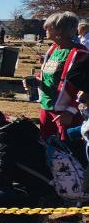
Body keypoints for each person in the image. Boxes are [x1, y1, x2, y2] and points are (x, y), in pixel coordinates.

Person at [31, 11, 86, 140]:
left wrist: (71, 111)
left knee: (68, 150)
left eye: (48, 26)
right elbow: (50, 75)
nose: (45, 29)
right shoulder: (54, 49)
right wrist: (36, 80)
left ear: (59, 30)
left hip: (66, 112)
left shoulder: (80, 53)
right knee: (46, 145)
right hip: (47, 105)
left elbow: (84, 87)